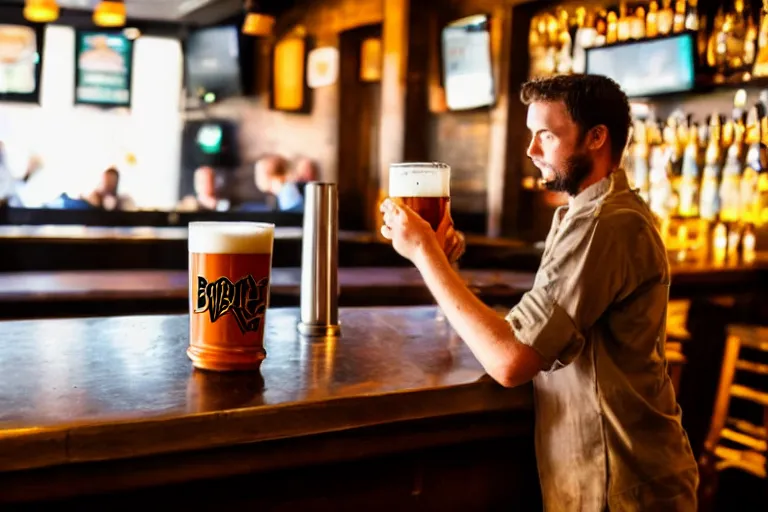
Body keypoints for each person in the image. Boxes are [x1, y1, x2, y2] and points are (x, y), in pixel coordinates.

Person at [380, 74, 698, 511]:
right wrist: (443, 261)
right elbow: (532, 326)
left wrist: (425, 256)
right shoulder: (585, 214)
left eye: (546, 134)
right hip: (604, 478)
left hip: (624, 483)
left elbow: (510, 361)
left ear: (597, 137)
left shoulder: (605, 225)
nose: (531, 150)